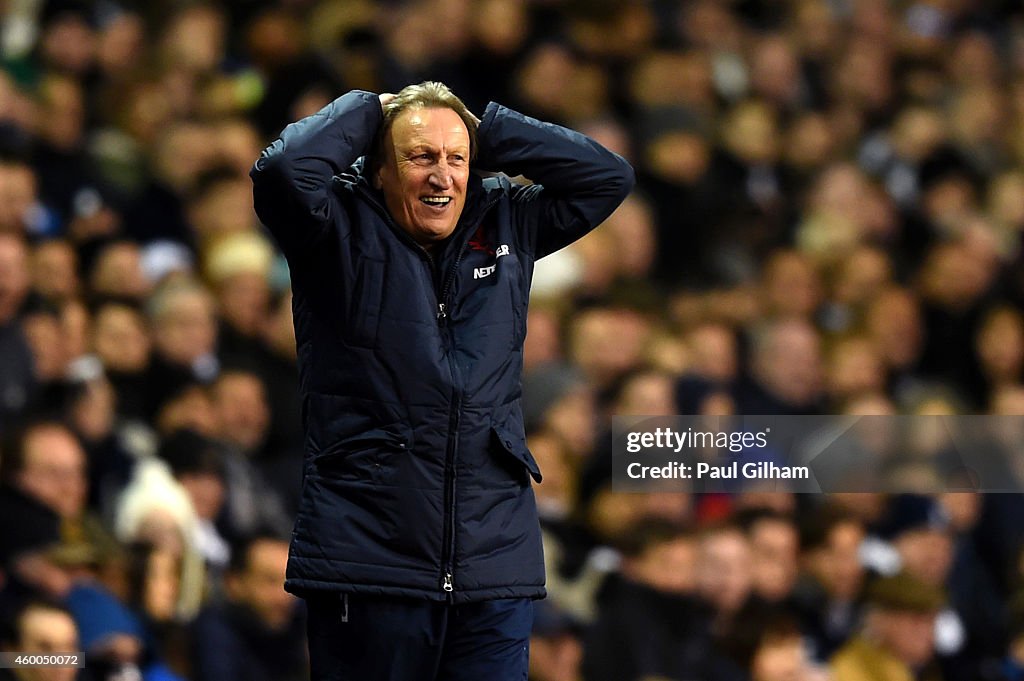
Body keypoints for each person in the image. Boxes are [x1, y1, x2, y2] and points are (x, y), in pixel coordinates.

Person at [250, 81, 634, 680]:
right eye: (420, 156)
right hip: (371, 557)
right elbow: (282, 171)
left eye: (456, 159)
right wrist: (371, 110)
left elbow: (606, 177)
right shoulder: (332, 229)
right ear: (378, 169)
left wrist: (485, 128)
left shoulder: (508, 219)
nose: (442, 176)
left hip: (494, 564)